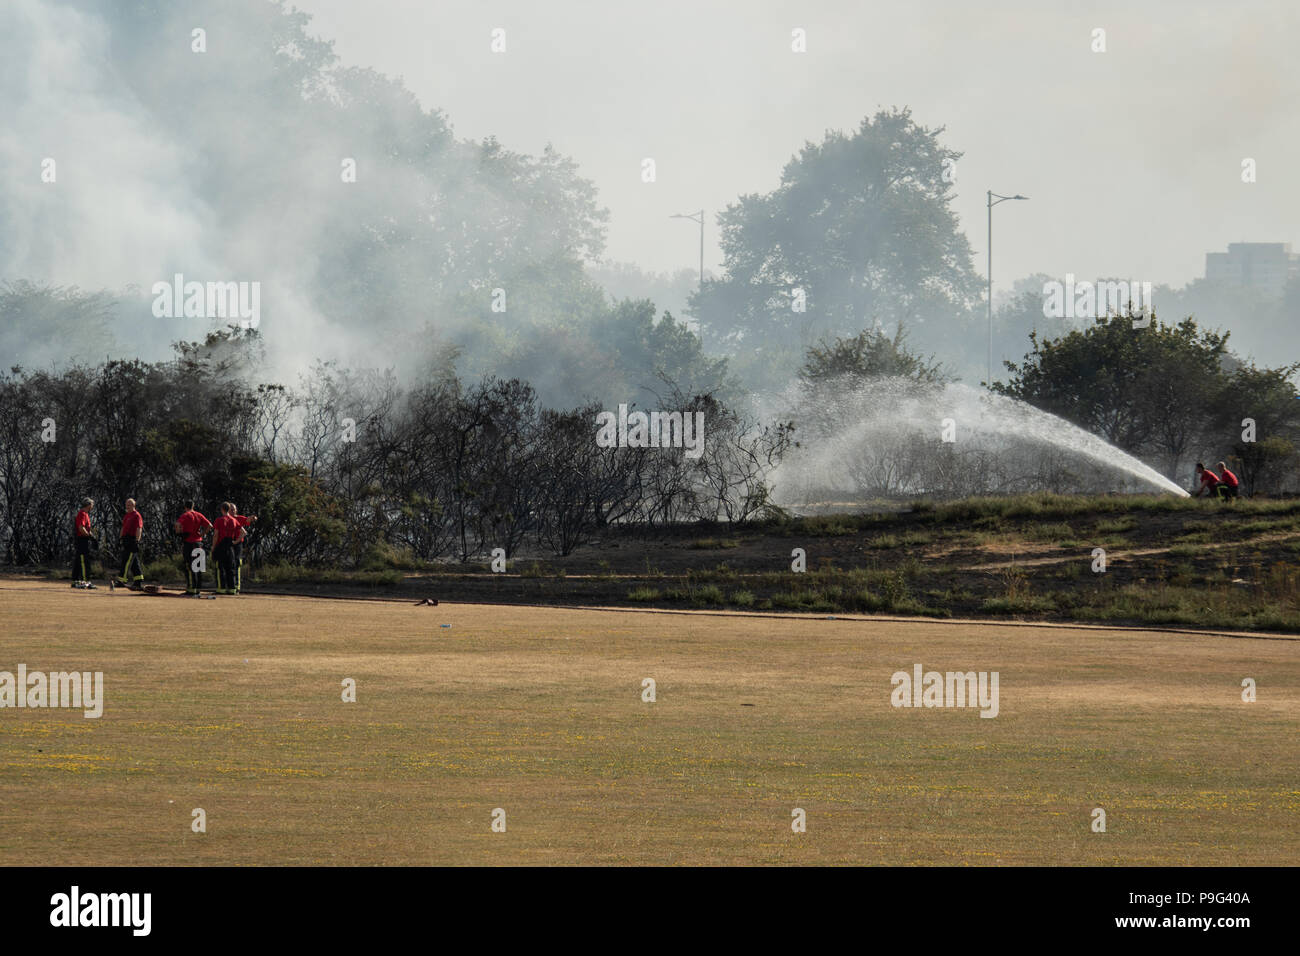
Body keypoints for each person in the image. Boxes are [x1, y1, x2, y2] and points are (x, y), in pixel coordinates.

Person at [174, 501, 213, 596]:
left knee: (189, 566)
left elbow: (177, 525)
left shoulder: (185, 515)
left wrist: (179, 533)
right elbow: (209, 525)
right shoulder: (199, 515)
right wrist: (202, 534)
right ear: (193, 506)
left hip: (189, 543)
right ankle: (197, 588)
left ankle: (191, 588)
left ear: (185, 507)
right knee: (198, 567)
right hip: (199, 543)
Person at [227, 501, 256, 595]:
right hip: (228, 542)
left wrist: (252, 518)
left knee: (236, 563)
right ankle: (229, 586)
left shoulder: (239, 518)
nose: (233, 511)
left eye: (234, 509)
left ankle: (237, 586)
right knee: (228, 564)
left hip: (238, 543)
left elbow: (247, 520)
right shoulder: (225, 519)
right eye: (231, 509)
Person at [117, 498, 146, 589]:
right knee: (134, 562)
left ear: (133, 505)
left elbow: (139, 528)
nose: (127, 506)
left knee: (126, 561)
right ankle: (138, 580)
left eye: (129, 505)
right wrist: (120, 538)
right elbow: (123, 527)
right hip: (126, 540)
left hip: (132, 540)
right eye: (126, 505)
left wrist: (137, 540)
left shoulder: (136, 515)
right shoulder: (126, 516)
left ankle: (122, 580)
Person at [212, 503, 238, 595]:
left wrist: (213, 547)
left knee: (220, 568)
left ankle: (221, 588)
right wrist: (236, 541)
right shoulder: (234, 520)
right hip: (230, 545)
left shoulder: (219, 520)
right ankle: (232, 589)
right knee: (230, 568)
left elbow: (216, 535)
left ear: (222, 509)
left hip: (221, 545)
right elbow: (243, 532)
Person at [72, 497, 97, 589]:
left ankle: (75, 580)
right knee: (83, 561)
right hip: (82, 540)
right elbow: (81, 528)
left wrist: (93, 537)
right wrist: (89, 536)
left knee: (79, 561)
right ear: (89, 505)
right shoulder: (82, 514)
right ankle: (85, 581)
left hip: (83, 540)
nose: (92, 507)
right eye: (92, 505)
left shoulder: (85, 514)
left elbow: (86, 528)